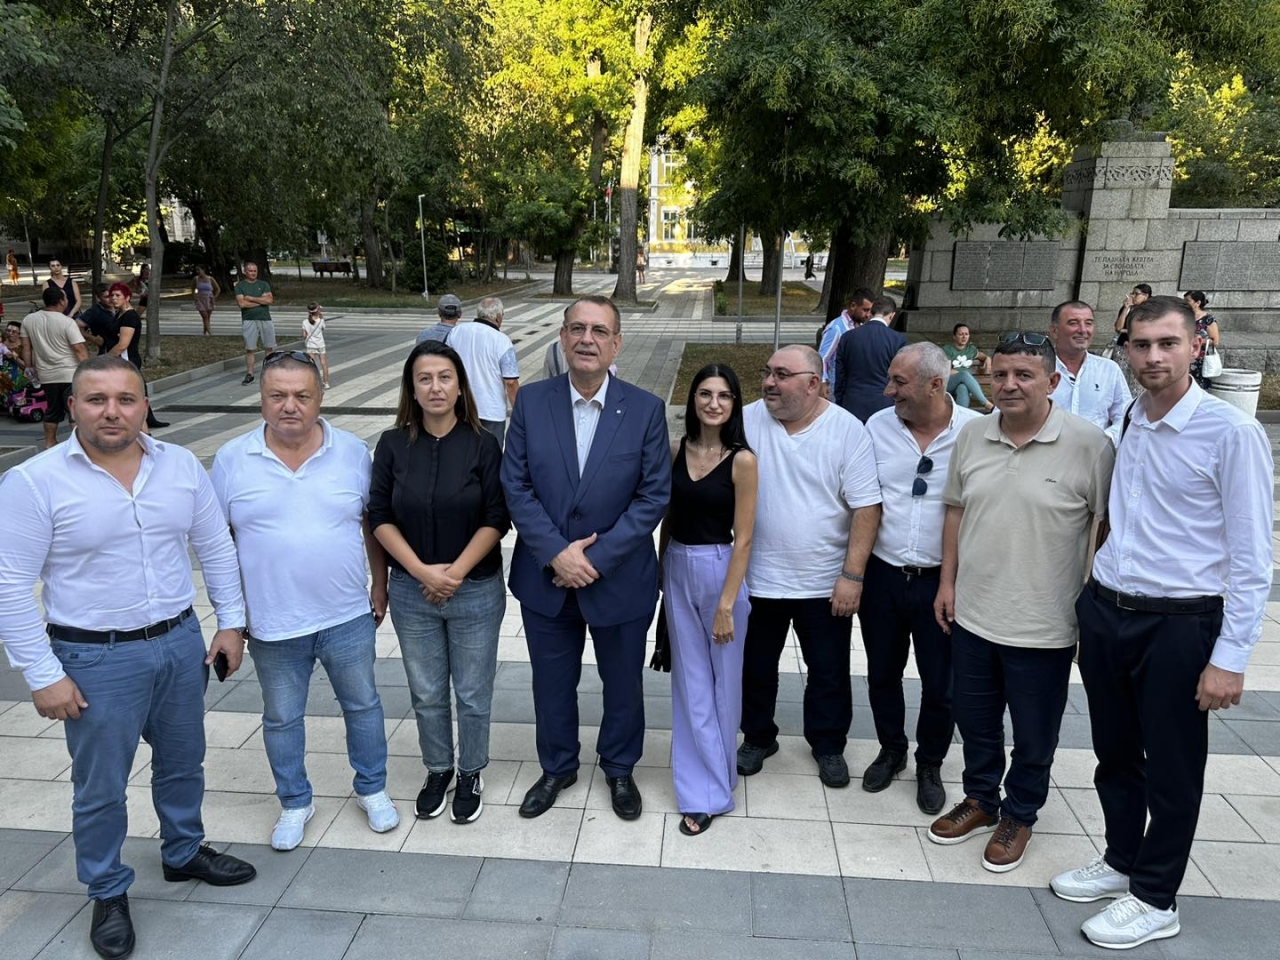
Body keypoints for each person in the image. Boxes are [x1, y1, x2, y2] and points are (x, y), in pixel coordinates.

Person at [0, 355, 256, 960]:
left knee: (183, 762)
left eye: (125, 399)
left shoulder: (180, 466)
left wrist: (232, 624)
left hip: (178, 644)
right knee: (101, 786)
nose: (111, 411)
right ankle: (107, 888)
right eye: (96, 399)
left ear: (145, 406)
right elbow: (9, 584)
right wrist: (43, 674)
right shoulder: (33, 483)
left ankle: (183, 851)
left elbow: (215, 547)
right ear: (73, 407)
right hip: (94, 658)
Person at [1052, 296, 1273, 950]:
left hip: (1179, 624)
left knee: (1174, 766)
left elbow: (1252, 558)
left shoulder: (1230, 434)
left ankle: (1155, 897)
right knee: (1115, 753)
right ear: (1125, 350)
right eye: (1141, 344)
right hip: (1110, 610)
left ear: (1195, 347)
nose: (1152, 356)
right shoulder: (1132, 418)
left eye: (1167, 343)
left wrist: (1230, 657)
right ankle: (1122, 859)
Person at [930, 332, 1113, 873]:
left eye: (1024, 375)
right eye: (1000, 374)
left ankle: (1020, 814)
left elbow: (1105, 527)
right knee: (975, 720)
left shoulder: (1090, 444)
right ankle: (981, 798)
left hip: (1044, 622)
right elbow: (955, 510)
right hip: (974, 613)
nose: (1008, 385)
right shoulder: (972, 434)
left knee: (1034, 734)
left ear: (1052, 381)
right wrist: (947, 582)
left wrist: (1089, 601)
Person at [212, 350, 397, 850]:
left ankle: (372, 788)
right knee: (281, 718)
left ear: (320, 397)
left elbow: (372, 523)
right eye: (277, 395)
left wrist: (379, 584)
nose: (289, 406)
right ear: (261, 398)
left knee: (363, 705)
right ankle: (295, 801)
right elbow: (217, 544)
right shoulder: (232, 459)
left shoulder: (352, 451)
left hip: (346, 614)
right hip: (272, 622)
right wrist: (231, 619)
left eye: (301, 395)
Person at [501, 296, 671, 820]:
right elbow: (515, 485)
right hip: (545, 578)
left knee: (623, 684)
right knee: (551, 685)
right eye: (577, 328)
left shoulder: (645, 409)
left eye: (599, 331)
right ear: (562, 337)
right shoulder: (532, 402)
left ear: (616, 344)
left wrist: (593, 561)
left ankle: (619, 767)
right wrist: (557, 554)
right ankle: (558, 767)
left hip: (618, 578)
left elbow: (653, 496)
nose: (587, 339)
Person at [371, 340, 510, 824]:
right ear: (411, 388)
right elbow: (379, 515)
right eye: (425, 378)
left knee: (472, 692)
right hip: (413, 592)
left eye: (445, 377)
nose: (435, 387)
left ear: (460, 386)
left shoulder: (483, 443)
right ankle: (438, 768)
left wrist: (453, 573)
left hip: (475, 589)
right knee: (427, 691)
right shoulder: (392, 444)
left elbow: (497, 517)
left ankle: (471, 771)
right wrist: (421, 571)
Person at [737, 345, 881, 786]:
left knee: (828, 671)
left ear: (813, 383)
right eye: (767, 372)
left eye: (782, 375)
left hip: (823, 582)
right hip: (757, 578)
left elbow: (866, 507)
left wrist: (852, 576)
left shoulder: (847, 430)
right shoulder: (745, 420)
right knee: (755, 668)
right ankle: (758, 736)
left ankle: (828, 745)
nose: (769, 382)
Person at [861, 343, 980, 814]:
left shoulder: (975, 432)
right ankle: (891, 750)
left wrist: (954, 581)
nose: (888, 391)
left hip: (942, 581)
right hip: (884, 575)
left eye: (899, 382)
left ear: (935, 384)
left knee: (941, 684)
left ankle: (930, 763)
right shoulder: (877, 427)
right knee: (881, 674)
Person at [659, 364, 757, 836]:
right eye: (704, 393)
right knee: (690, 684)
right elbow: (669, 517)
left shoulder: (743, 460)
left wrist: (726, 604)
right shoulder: (676, 449)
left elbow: (745, 538)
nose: (713, 403)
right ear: (692, 399)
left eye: (723, 395)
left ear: (734, 404)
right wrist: (661, 573)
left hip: (721, 571)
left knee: (723, 686)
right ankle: (700, 791)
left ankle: (719, 782)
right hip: (677, 566)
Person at [1047, 300, 1131, 444]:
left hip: (1098, 454)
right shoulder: (1038, 370)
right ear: (1054, 331)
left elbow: (1125, 415)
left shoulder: (1109, 370)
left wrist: (1103, 440)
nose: (1083, 330)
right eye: (1073, 323)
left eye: (1088, 323)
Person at [444, 296, 519, 446]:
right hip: (491, 411)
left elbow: (444, 366)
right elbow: (511, 382)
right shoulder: (502, 341)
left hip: (461, 407)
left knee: (462, 453)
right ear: (498, 318)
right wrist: (519, 411)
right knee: (491, 455)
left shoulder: (456, 332)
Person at [20, 287, 88, 447]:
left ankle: (49, 443)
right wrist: (88, 369)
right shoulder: (67, 322)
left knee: (52, 410)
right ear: (62, 301)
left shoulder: (29, 320)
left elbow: (26, 347)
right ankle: (80, 444)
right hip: (71, 374)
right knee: (74, 410)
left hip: (47, 375)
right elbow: (79, 348)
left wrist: (29, 366)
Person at [833, 295, 906, 423]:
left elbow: (840, 374)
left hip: (852, 403)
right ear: (892, 315)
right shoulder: (898, 340)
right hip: (884, 404)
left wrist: (840, 401)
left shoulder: (848, 337)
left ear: (871, 312)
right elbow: (901, 376)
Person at [106, 282, 168, 430]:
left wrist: (105, 359)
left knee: (134, 394)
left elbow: (123, 344)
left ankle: (144, 427)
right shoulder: (120, 314)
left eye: (118, 295)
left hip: (127, 360)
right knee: (136, 392)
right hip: (122, 361)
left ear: (127, 297)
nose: (114, 298)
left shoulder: (130, 317)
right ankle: (146, 420)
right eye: (112, 295)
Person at [817, 288, 875, 386]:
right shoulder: (836, 328)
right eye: (865, 310)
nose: (868, 315)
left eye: (870, 311)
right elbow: (822, 357)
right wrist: (823, 382)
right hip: (836, 386)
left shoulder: (862, 326)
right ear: (853, 306)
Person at [235, 261, 275, 385]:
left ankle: (268, 373)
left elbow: (269, 300)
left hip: (265, 318)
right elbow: (242, 304)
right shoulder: (240, 286)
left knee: (268, 347)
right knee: (250, 348)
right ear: (245, 272)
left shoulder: (263, 284)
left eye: (255, 271)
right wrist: (261, 301)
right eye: (250, 271)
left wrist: (251, 298)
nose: (253, 273)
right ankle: (250, 373)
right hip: (249, 319)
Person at [941, 323, 994, 413]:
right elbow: (945, 371)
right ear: (954, 336)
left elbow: (982, 356)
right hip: (948, 383)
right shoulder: (947, 350)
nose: (964, 337)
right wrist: (961, 374)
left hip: (962, 383)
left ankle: (960, 415)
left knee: (963, 387)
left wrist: (988, 359)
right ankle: (986, 404)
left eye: (966, 334)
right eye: (961, 334)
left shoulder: (971, 350)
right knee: (965, 374)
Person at [1112, 283, 1151, 394]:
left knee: (1136, 380)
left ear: (1146, 296)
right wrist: (1126, 308)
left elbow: (1145, 330)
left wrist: (1126, 330)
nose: (1133, 296)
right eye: (1132, 293)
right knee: (1120, 376)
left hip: (1140, 348)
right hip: (1122, 346)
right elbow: (1118, 327)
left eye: (1136, 294)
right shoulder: (1128, 308)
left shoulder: (1149, 311)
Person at [1184, 290, 1220, 387]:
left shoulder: (1208, 319)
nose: (1185, 303)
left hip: (1200, 358)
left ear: (1197, 303)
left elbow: (1215, 341)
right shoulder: (1185, 316)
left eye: (1188, 301)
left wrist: (1196, 341)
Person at [302, 302, 331, 388]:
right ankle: (326, 382)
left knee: (312, 364)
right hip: (320, 344)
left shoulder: (305, 322)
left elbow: (304, 335)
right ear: (318, 311)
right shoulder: (321, 321)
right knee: (324, 363)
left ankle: (313, 382)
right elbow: (322, 329)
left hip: (311, 345)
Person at [80, 284, 116, 352]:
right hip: (107, 351)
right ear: (98, 297)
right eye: (106, 297)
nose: (111, 299)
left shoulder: (119, 307)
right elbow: (75, 326)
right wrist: (93, 339)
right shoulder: (94, 311)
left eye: (112, 295)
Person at [193, 266, 221, 336]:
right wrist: (195, 296)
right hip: (200, 299)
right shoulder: (196, 279)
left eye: (199, 270)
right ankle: (209, 331)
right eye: (196, 270)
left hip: (209, 299)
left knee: (207, 317)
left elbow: (218, 289)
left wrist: (214, 297)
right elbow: (193, 288)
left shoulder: (210, 279)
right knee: (204, 315)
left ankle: (205, 331)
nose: (198, 272)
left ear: (203, 270)